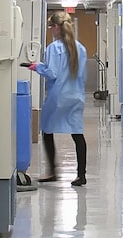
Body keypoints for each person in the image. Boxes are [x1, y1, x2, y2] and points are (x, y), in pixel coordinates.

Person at [25, 11, 88, 186]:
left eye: (52, 26)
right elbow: (82, 75)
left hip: (58, 96)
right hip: (76, 95)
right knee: (77, 134)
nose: (51, 30)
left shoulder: (54, 48)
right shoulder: (80, 48)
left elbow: (52, 73)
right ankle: (81, 175)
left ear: (57, 27)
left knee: (47, 130)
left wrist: (37, 67)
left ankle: (53, 171)